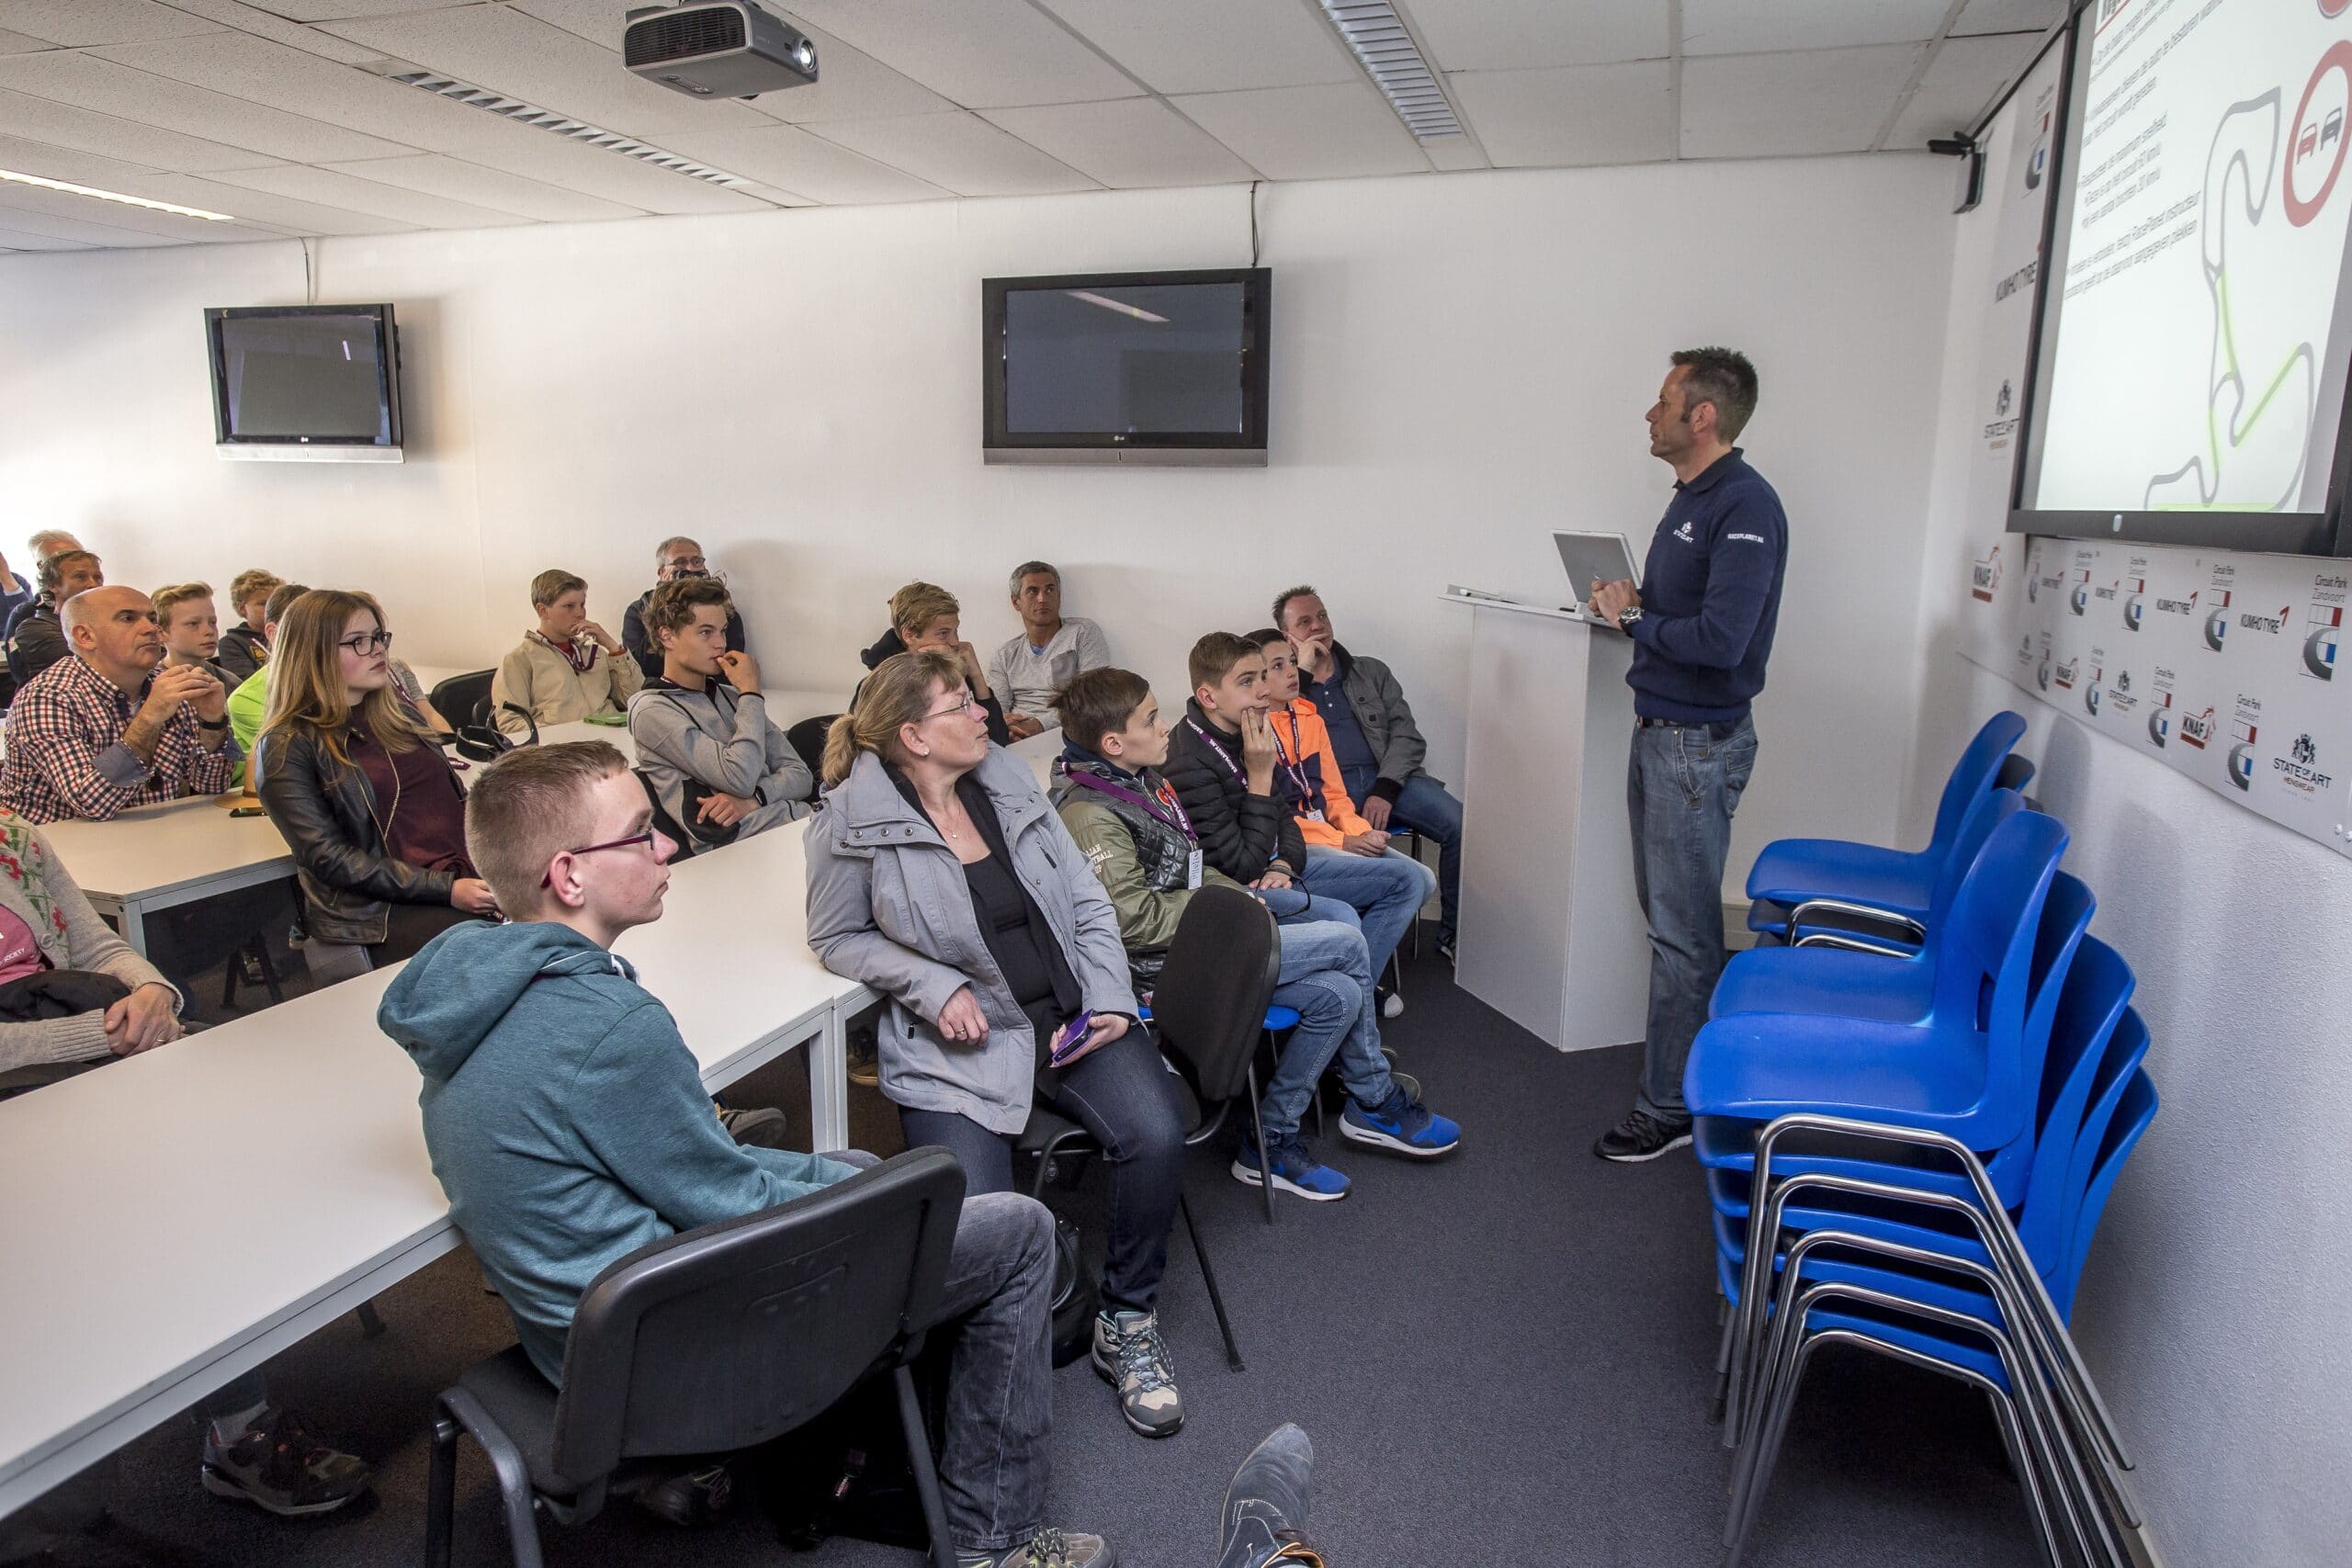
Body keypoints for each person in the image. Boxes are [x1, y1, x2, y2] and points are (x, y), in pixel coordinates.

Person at [380, 740, 1109, 1568]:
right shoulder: (607, 1026)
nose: (667, 847)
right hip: (664, 1367)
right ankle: (997, 1539)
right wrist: (867, 1183)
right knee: (1016, 1228)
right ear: (569, 875)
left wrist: (852, 1176)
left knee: (861, 1170)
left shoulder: (463, 992)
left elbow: (672, 1176)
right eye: (641, 832)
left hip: (579, 1334)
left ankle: (841, 1459)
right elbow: (731, 1201)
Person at [807, 649, 1188, 1444]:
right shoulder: (848, 821)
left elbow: (1084, 897)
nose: (983, 711)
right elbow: (836, 934)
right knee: (979, 1226)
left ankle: (1125, 1318)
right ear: (914, 734)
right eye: (961, 704)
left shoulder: (1009, 781)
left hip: (1071, 1015)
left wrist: (1112, 994)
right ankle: (992, 1411)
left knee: (1156, 1132)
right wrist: (928, 983)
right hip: (962, 1048)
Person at [1158, 637, 1462, 1196]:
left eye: (1262, 677)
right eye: (1248, 682)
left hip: (1273, 871)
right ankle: (1366, 1086)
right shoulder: (1187, 758)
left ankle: (1352, 1067)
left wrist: (1281, 858)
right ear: (1207, 695)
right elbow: (1235, 863)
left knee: (1410, 881)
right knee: (1345, 930)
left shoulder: (1252, 729)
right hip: (1233, 898)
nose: (1265, 690)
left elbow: (1287, 823)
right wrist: (1258, 783)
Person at [1587, 346, 1785, 1163]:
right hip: (1662, 736)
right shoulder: (1690, 498)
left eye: (1664, 398)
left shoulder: (1744, 504)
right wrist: (1632, 603)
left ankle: (1671, 1108)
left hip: (1694, 748)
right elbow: (1683, 613)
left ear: (1703, 415)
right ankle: (1687, 1082)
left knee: (1686, 936)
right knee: (1673, 925)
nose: (1650, 411)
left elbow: (1721, 640)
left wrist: (1634, 622)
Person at [255, 590, 498, 983]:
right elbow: (331, 859)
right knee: (496, 954)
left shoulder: (397, 715)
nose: (377, 651)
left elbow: (448, 807)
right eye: (358, 641)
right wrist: (446, 889)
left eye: (379, 637)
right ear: (312, 653)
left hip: (457, 875)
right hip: (378, 910)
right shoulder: (287, 744)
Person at [1272, 587, 1466, 965]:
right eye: (1305, 622)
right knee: (1362, 858)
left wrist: (1386, 788)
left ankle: (1453, 935)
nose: (1318, 626)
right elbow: (1287, 736)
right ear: (1286, 637)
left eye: (1323, 616)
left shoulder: (1370, 671)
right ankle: (1352, 943)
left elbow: (1408, 735)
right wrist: (1305, 672)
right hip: (1330, 794)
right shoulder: (1284, 685)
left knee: (1459, 824)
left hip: (1388, 779)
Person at [1249, 627, 1435, 1006]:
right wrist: (1343, 843)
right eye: (1278, 666)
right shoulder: (1252, 734)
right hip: (1295, 846)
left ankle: (1356, 986)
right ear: (1256, 680)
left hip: (1330, 834)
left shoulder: (1309, 717)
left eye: (1292, 660)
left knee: (1425, 879)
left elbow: (1334, 795)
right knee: (1407, 881)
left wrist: (1362, 833)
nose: (1293, 673)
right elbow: (1279, 819)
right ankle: (1362, 996)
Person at [0, 586, 235, 824]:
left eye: (152, 619)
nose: (151, 629)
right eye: (128, 618)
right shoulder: (47, 697)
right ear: (85, 637)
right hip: (61, 853)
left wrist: (212, 721)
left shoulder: (162, 685)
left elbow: (212, 786)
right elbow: (92, 803)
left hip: (149, 840)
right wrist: (150, 717)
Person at [0, 809, 185, 1091]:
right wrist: (99, 1035)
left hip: (70, 1016)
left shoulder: (13, 835)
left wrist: (153, 991)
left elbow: (97, 947)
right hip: (34, 1056)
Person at [628, 575, 813, 848]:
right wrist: (751, 692)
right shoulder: (652, 712)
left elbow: (801, 775)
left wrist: (756, 799)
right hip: (738, 849)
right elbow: (737, 778)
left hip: (794, 827)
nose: (720, 643)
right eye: (705, 632)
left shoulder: (732, 696)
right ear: (666, 636)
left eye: (722, 630)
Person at [855, 582, 1011, 745]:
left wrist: (977, 677)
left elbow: (999, 742)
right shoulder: (877, 689)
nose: (955, 642)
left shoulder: (954, 670)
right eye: (943, 633)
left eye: (955, 630)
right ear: (909, 635)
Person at [492, 569, 642, 735]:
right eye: (569, 606)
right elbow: (511, 724)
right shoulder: (520, 660)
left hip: (611, 742)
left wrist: (613, 647)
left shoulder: (596, 653)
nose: (580, 613)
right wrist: (561, 737)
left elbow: (636, 702)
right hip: (563, 751)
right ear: (543, 611)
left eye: (582, 605)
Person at [987, 561, 1111, 741]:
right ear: (1016, 602)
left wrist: (1038, 725)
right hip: (1015, 737)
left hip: (1070, 734)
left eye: (1050, 590)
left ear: (1059, 597)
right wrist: (1007, 726)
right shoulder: (1005, 655)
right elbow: (997, 710)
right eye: (1032, 591)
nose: (1042, 598)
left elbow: (1094, 698)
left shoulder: (1082, 632)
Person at [622, 536, 745, 680]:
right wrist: (664, 602)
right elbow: (639, 668)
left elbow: (731, 665)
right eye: (680, 562)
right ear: (662, 573)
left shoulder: (722, 610)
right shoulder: (638, 611)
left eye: (696, 561)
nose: (690, 568)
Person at [226, 581, 310, 763]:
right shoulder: (245, 699)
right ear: (273, 633)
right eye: (304, 627)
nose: (316, 637)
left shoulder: (343, 679)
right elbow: (299, 755)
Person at [6, 549, 106, 690]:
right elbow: (99, 663)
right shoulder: (34, 629)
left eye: (97, 577)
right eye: (80, 577)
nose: (93, 584)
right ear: (53, 585)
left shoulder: (101, 622)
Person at [1, 530, 84, 646]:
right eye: (62, 559)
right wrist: (7, 580)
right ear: (43, 567)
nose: (79, 565)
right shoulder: (29, 612)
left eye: (81, 557)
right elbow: (8, 644)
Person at [152, 581, 231, 687]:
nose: (209, 631)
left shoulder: (230, 682)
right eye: (193, 624)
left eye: (212, 622)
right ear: (160, 633)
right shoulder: (148, 686)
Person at [216, 568, 284, 683]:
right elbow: (248, 683)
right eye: (263, 604)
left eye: (274, 602)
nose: (272, 608)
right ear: (242, 609)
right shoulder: (232, 643)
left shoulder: (288, 634)